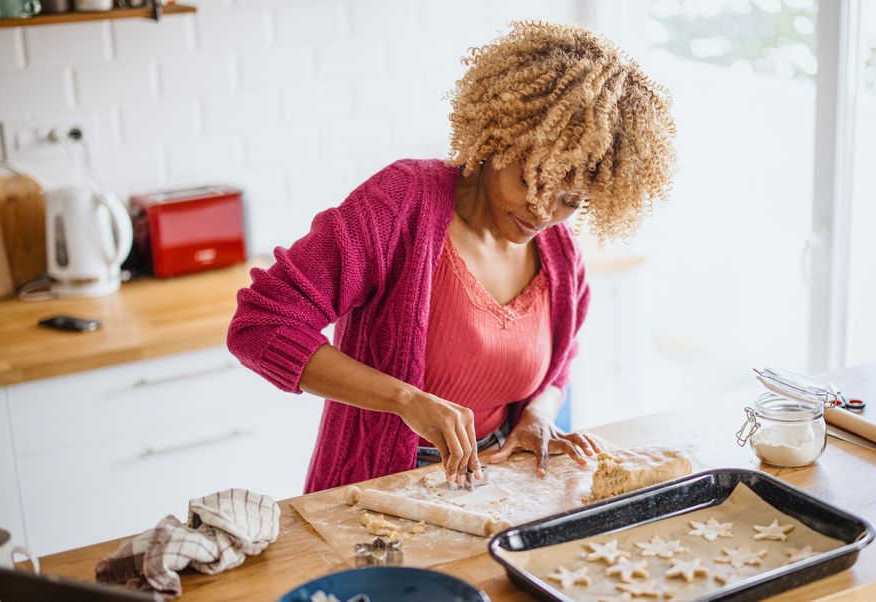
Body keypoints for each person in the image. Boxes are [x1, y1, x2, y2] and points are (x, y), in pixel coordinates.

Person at [226, 21, 676, 492]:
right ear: (496, 137)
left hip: (504, 490)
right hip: (376, 491)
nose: (542, 212)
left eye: (569, 200)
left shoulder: (560, 258)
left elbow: (559, 363)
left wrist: (539, 414)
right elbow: (260, 325)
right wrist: (405, 400)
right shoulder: (401, 205)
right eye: (530, 180)